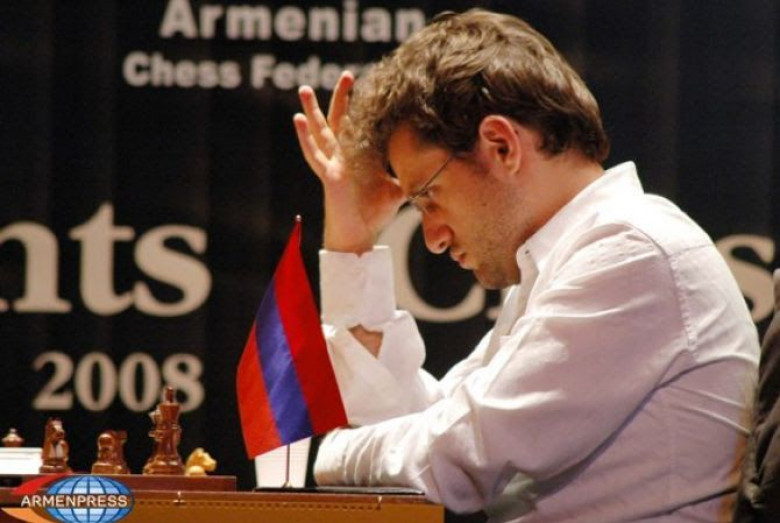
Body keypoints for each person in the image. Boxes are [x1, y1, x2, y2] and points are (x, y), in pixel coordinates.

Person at [292, 8, 760, 522]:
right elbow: (423, 425)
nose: (432, 238)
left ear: (501, 146)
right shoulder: (573, 257)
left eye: (428, 197)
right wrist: (354, 243)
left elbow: (453, 459)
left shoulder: (631, 250)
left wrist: (330, 454)